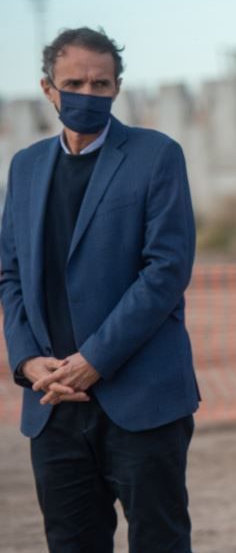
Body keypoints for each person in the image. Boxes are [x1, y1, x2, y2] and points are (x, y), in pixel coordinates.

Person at [1, 27, 198, 551]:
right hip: (54, 405)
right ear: (48, 88)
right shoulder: (24, 168)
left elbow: (166, 270)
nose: (87, 94)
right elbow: (11, 274)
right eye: (74, 82)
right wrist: (26, 363)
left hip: (142, 400)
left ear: (117, 88)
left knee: (160, 541)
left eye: (100, 83)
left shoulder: (157, 155)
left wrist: (95, 358)